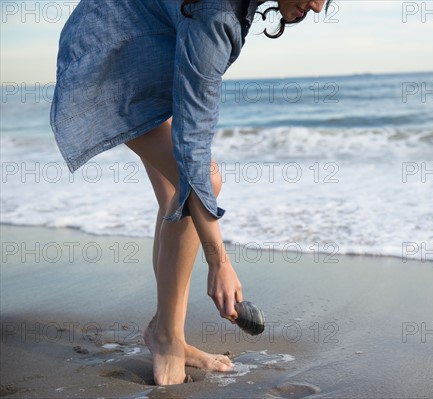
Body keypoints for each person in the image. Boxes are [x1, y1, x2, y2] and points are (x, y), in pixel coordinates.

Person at [50, 0, 332, 386]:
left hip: (138, 45)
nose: (318, 7)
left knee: (176, 197)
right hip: (107, 58)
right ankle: (166, 336)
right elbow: (192, 145)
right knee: (203, 180)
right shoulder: (215, 13)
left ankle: (169, 335)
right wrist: (219, 261)